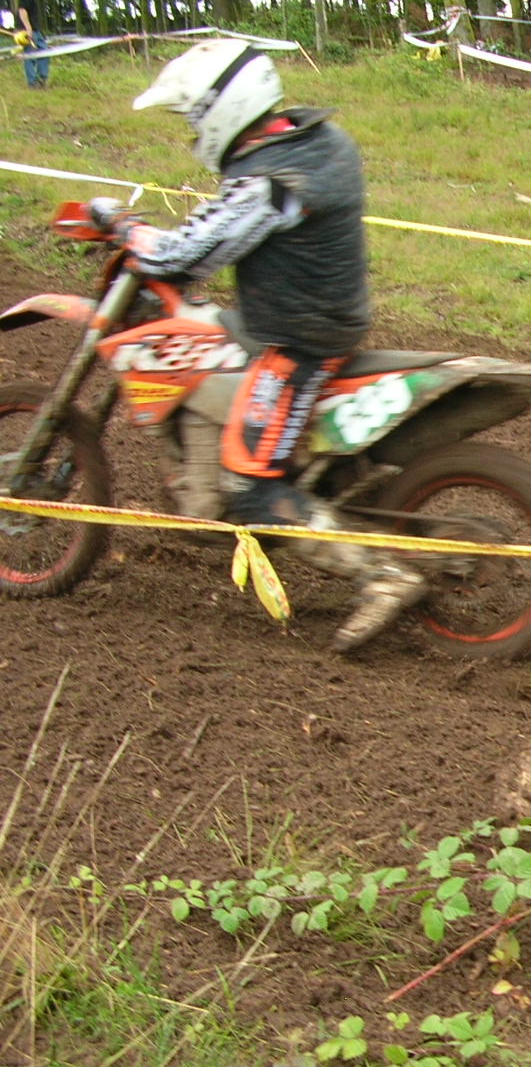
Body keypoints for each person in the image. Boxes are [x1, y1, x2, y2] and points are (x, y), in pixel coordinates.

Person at [88, 39, 427, 653]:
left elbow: (186, 255)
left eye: (194, 118)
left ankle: (383, 575)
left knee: (249, 486)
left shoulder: (271, 181)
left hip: (301, 339)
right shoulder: (316, 141)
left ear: (222, 109)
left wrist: (124, 225)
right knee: (206, 341)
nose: (194, 132)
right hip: (296, 316)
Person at [16, 0, 48, 88]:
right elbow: (22, 10)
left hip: (36, 31)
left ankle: (41, 79)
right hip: (28, 31)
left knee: (45, 52)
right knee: (30, 55)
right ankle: (32, 83)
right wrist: (28, 28)